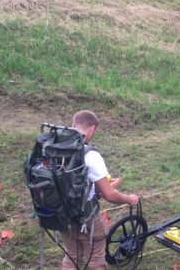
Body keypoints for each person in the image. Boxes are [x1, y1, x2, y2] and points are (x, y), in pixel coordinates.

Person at [59, 110, 139, 270]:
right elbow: (109, 194)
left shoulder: (58, 146)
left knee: (72, 255)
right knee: (96, 259)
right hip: (86, 217)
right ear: (92, 128)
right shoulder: (89, 155)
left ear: (73, 124)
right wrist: (130, 199)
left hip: (60, 214)